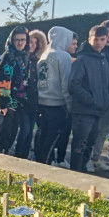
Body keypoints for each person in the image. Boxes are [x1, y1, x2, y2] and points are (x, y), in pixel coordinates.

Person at [68, 25, 109, 172]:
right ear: (89, 39)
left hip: (98, 111)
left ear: (106, 40)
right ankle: (75, 175)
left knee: (89, 145)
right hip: (83, 111)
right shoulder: (82, 59)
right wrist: (92, 100)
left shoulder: (103, 59)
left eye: (102, 39)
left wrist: (104, 102)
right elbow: (73, 85)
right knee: (80, 145)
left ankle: (82, 173)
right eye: (95, 39)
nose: (98, 42)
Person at [36, 26, 73, 165]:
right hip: (57, 104)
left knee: (43, 135)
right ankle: (47, 164)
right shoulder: (63, 56)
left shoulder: (43, 55)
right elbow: (66, 83)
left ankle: (41, 162)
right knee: (53, 137)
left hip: (42, 102)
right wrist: (69, 105)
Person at [90, 20, 109, 171]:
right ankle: (87, 158)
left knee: (104, 130)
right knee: (92, 129)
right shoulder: (93, 50)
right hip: (96, 97)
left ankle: (96, 158)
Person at [0, 26, 30, 154]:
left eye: (23, 39)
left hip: (20, 101)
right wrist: (4, 104)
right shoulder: (8, 57)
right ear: (12, 41)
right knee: (6, 135)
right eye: (17, 40)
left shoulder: (24, 57)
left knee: (13, 134)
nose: (20, 43)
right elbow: (0, 80)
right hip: (8, 103)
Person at [15, 30, 46, 159]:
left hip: (34, 102)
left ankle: (25, 154)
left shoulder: (37, 61)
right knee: (25, 130)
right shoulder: (20, 59)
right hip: (23, 101)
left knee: (29, 132)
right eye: (30, 42)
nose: (32, 45)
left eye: (35, 43)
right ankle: (19, 154)